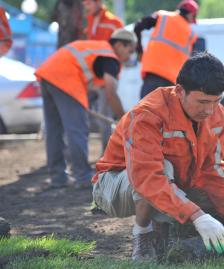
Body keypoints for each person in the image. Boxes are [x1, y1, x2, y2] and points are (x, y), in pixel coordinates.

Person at [92, 52, 224, 261]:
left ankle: (221, 236)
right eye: (202, 102)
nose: (209, 110)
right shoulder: (148, 115)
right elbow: (147, 177)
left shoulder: (216, 114)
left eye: (216, 101)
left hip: (174, 180)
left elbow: (211, 169)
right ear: (180, 91)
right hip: (116, 186)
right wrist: (197, 216)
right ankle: (142, 234)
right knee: (162, 168)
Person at [35, 29, 136, 189]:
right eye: (129, 50)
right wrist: (124, 119)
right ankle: (82, 176)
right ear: (118, 44)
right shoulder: (110, 57)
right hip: (65, 79)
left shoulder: (97, 49)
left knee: (54, 130)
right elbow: (111, 93)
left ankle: (58, 177)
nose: (129, 56)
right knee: (77, 130)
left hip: (48, 75)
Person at [133, 0, 199, 99]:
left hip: (152, 73)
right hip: (172, 82)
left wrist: (139, 50)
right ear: (190, 15)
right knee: (165, 114)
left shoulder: (163, 17)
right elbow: (192, 63)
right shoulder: (192, 35)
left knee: (144, 112)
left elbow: (138, 26)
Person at [82, 0, 125, 151]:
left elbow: (121, 49)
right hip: (89, 77)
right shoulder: (89, 20)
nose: (86, 6)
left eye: (89, 3)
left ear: (98, 2)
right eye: (85, 4)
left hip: (105, 77)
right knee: (81, 116)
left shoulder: (114, 23)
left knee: (104, 120)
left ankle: (107, 154)